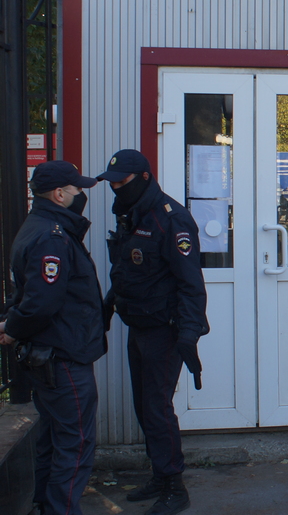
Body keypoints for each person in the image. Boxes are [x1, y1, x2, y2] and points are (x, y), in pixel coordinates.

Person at [98, 149, 209, 515]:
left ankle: (175, 487)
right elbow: (125, 269)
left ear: (144, 177)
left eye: (122, 182)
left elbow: (190, 283)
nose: (116, 188)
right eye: (112, 183)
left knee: (157, 409)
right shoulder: (133, 214)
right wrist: (108, 306)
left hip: (165, 329)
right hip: (139, 324)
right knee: (143, 406)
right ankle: (160, 475)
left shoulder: (171, 219)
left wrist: (189, 334)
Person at [0, 160, 106, 515]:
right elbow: (41, 302)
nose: (81, 195)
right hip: (63, 357)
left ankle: (45, 506)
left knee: (52, 438)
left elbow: (27, 294)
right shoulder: (52, 236)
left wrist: (11, 326)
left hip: (52, 355)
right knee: (75, 443)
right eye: (77, 189)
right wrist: (13, 328)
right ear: (60, 195)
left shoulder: (39, 226)